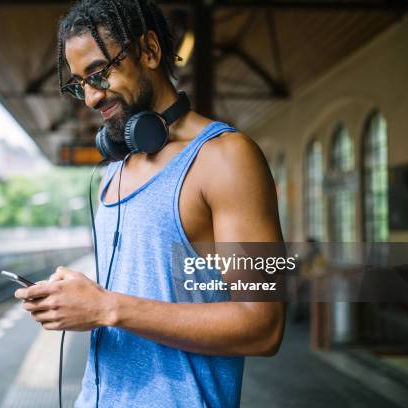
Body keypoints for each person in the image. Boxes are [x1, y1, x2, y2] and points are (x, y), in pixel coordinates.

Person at [15, 0, 285, 406]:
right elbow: (138, 291)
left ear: (150, 51)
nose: (89, 97)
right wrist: (76, 301)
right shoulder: (115, 169)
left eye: (99, 73)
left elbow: (263, 327)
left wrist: (107, 307)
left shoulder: (227, 159)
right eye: (78, 83)